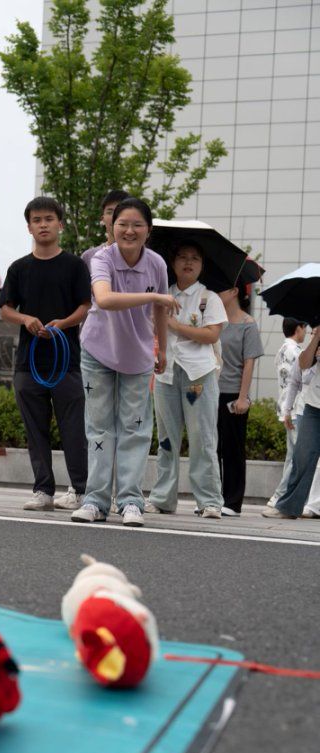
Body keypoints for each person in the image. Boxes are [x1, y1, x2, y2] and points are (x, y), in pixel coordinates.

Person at [71, 197, 179, 526]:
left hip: (138, 355)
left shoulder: (157, 264)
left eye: (137, 225)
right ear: (112, 226)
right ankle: (95, 500)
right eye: (122, 224)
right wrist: (154, 295)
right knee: (99, 427)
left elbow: (161, 310)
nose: (129, 231)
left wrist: (162, 349)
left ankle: (131, 501)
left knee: (135, 429)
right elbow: (104, 299)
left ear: (149, 230)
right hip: (97, 350)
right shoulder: (102, 258)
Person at [0, 196, 91, 511]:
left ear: (60, 224)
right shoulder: (19, 268)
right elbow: (6, 310)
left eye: (49, 219)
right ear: (29, 227)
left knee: (73, 430)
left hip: (67, 363)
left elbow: (86, 306)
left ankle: (80, 490)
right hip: (28, 364)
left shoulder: (75, 265)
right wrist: (26, 319)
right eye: (36, 220)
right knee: (35, 430)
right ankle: (43, 490)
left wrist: (62, 324)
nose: (43, 225)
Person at [145, 242, 226, 517]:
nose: (188, 262)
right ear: (173, 262)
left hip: (198, 375)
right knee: (166, 439)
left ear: (202, 265)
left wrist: (175, 325)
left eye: (194, 258)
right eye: (182, 257)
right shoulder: (162, 295)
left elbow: (212, 335)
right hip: (166, 372)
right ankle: (162, 499)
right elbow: (149, 329)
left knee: (202, 438)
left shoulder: (209, 298)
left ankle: (210, 501)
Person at [216, 280, 264, 516]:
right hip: (210, 390)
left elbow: (249, 363)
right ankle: (211, 497)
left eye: (220, 288)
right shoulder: (214, 321)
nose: (215, 292)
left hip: (234, 393)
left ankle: (232, 502)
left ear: (234, 291)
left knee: (232, 448)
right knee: (211, 447)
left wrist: (243, 397)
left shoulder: (248, 324)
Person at [263, 327, 320, 519]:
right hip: (313, 407)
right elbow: (301, 367)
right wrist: (317, 339)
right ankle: (288, 507)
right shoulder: (311, 348)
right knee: (302, 458)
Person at [266, 318, 307, 508]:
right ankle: (279, 496)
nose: (306, 332)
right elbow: (301, 380)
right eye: (304, 328)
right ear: (298, 328)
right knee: (298, 456)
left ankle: (281, 496)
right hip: (296, 408)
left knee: (291, 457)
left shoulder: (282, 349)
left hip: (286, 407)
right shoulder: (296, 352)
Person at [82, 189, 129, 268]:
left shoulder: (145, 256)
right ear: (102, 219)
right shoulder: (89, 257)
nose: (115, 217)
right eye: (110, 212)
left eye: (120, 211)